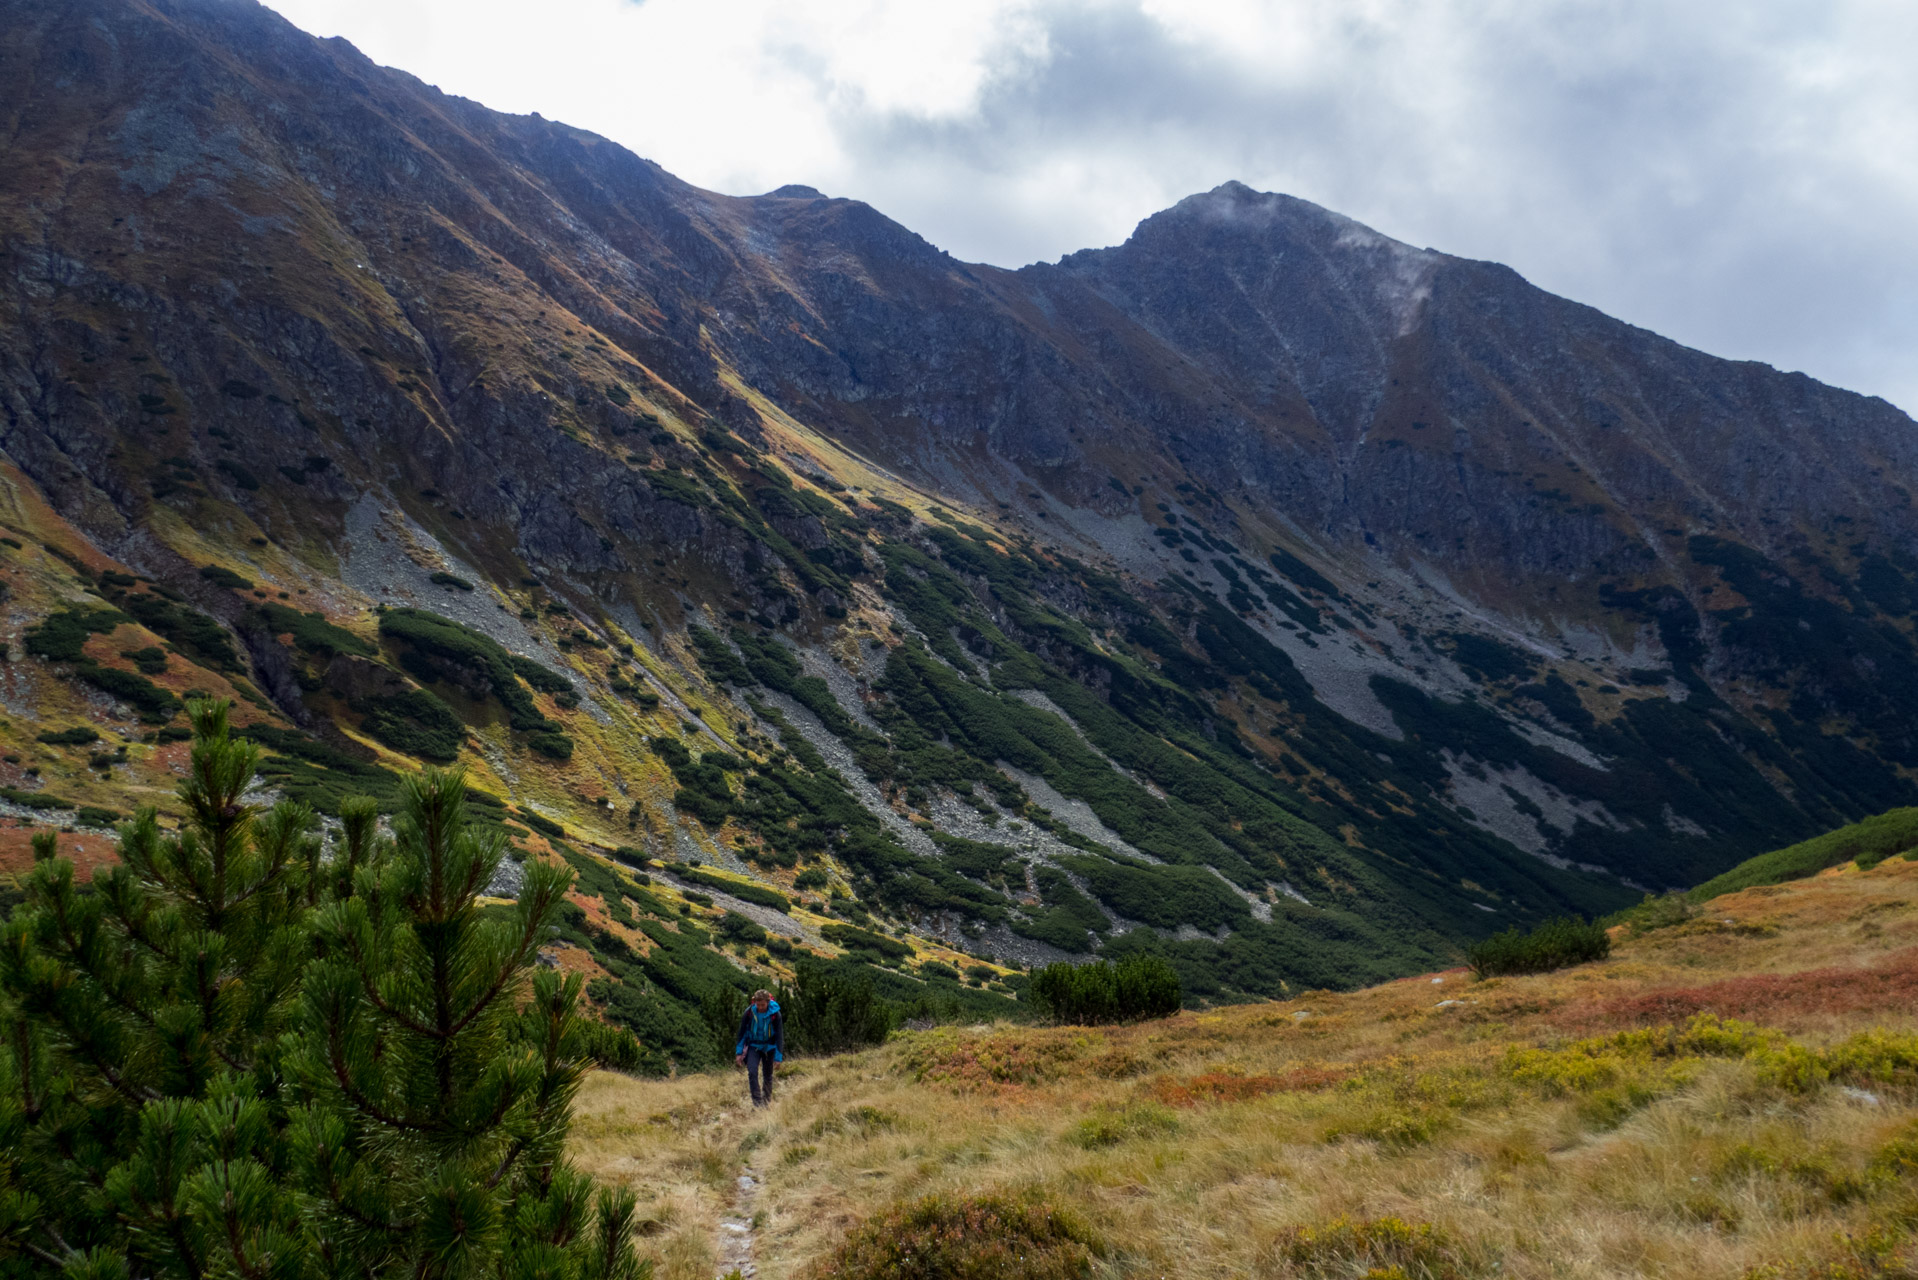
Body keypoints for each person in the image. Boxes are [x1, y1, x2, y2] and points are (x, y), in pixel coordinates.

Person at [734, 988, 784, 1107]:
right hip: (754, 1046)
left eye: (763, 1005)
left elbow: (779, 1036)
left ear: (768, 1002)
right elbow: (741, 1033)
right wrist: (739, 1053)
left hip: (769, 1047)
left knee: (767, 1075)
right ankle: (757, 1103)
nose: (760, 1007)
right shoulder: (749, 1012)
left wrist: (778, 1058)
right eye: (758, 1004)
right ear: (754, 1002)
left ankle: (766, 1103)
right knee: (752, 1072)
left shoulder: (775, 1014)